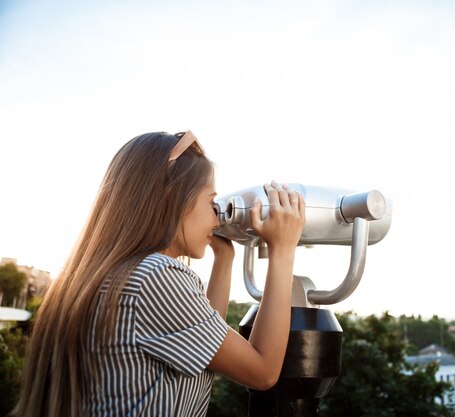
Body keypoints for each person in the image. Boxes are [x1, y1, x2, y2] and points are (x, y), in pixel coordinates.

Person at [14, 130, 306, 417]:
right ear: (172, 197)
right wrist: (283, 250)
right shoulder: (157, 276)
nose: (216, 218)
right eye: (210, 202)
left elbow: (206, 341)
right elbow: (263, 372)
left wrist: (224, 258)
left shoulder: (115, 273)